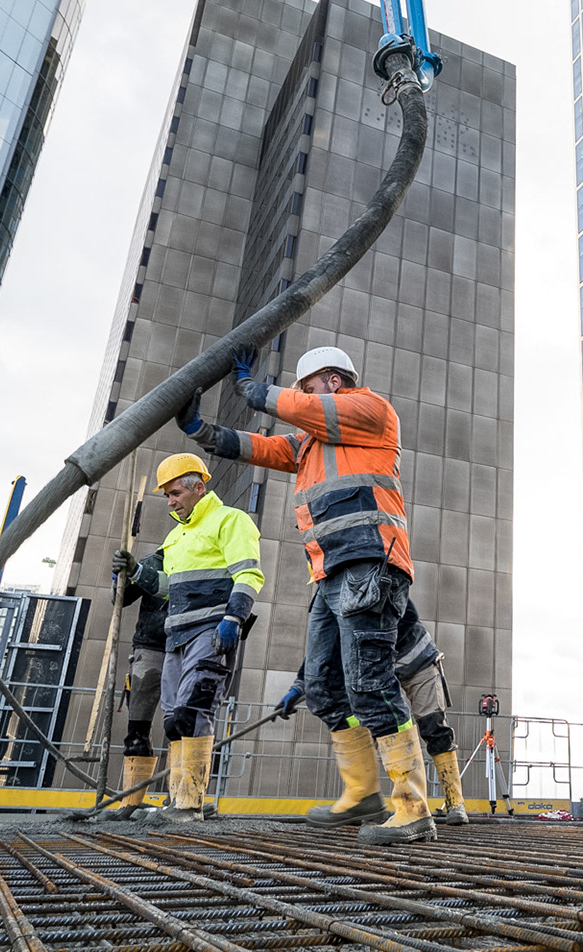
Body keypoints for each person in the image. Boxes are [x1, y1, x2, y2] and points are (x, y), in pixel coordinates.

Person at [183, 343, 432, 845]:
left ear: (334, 382)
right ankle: (362, 794)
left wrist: (254, 391)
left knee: (370, 683)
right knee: (321, 685)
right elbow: (261, 447)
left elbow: (300, 410)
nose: (303, 397)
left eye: (308, 386)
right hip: (330, 575)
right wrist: (201, 432)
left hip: (369, 563)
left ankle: (413, 807)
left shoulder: (371, 411)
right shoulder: (311, 445)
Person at [113, 453, 263, 823]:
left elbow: (249, 574)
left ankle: (189, 804)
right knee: (175, 718)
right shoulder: (176, 535)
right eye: (167, 495)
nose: (171, 501)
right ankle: (179, 798)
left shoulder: (230, 520)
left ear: (200, 487)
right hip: (175, 636)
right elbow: (167, 589)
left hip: (210, 630)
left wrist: (233, 617)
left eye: (176, 492)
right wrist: (136, 574)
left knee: (195, 710)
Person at [277, 595, 469, 825]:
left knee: (434, 728)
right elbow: (325, 646)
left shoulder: (378, 587)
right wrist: (301, 685)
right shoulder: (336, 598)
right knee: (378, 720)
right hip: (386, 669)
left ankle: (455, 803)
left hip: (418, 662)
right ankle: (364, 797)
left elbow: (405, 619)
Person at [100, 544, 168, 818]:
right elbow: (121, 598)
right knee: (137, 731)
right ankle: (130, 804)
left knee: (184, 726)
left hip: (188, 644)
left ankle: (184, 802)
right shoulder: (155, 560)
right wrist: (119, 577)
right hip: (150, 647)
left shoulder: (209, 553)